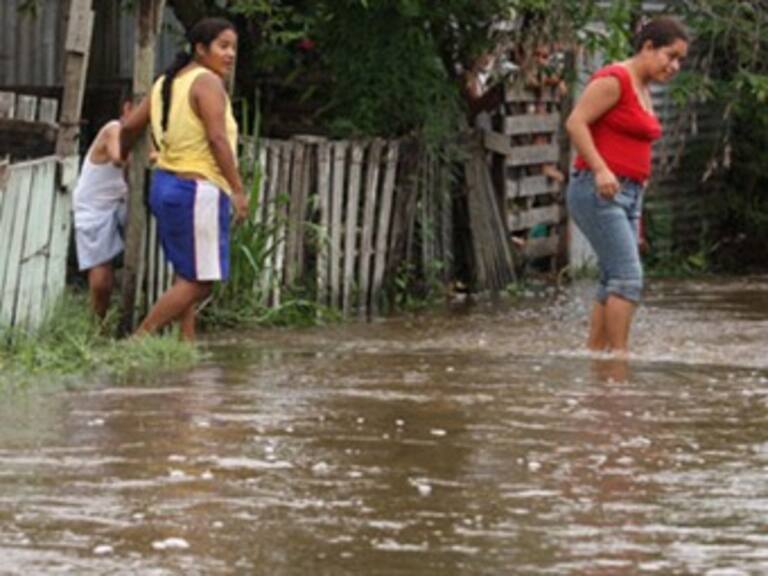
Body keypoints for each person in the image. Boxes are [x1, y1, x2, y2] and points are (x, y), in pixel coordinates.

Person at [565, 17, 689, 354]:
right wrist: (601, 169)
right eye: (670, 55)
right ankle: (619, 360)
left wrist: (638, 216)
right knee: (627, 279)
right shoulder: (614, 79)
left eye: (680, 60)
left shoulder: (643, 88)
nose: (674, 66)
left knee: (612, 278)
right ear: (648, 47)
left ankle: (598, 358)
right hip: (599, 189)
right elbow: (575, 122)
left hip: (628, 196)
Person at [119, 17, 248, 341]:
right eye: (223, 46)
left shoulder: (166, 83)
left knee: (185, 274)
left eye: (233, 47)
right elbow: (218, 139)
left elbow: (130, 126)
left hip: (166, 185)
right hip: (197, 188)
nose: (230, 54)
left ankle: (186, 346)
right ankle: (138, 341)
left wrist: (122, 154)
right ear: (200, 49)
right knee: (200, 281)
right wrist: (237, 189)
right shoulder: (207, 83)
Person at [73, 100, 133, 320]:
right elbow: (118, 158)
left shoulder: (141, 134)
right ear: (127, 109)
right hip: (94, 207)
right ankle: (97, 324)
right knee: (101, 270)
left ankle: (110, 319)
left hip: (118, 203)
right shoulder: (113, 129)